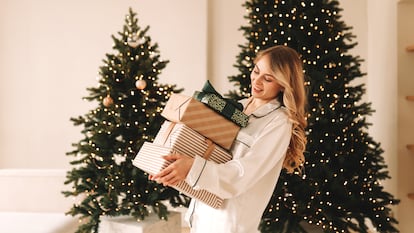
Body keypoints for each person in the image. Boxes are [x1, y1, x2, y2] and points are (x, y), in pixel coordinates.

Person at [151, 45, 308, 233]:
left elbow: (243, 173)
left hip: (230, 224)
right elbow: (207, 151)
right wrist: (171, 168)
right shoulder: (238, 106)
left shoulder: (279, 122)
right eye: (256, 71)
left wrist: (192, 168)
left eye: (268, 78)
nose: (257, 81)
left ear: (283, 84)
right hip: (201, 216)